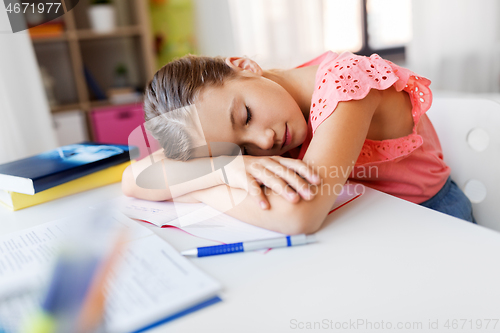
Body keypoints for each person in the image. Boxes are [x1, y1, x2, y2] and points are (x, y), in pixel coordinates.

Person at [122, 51, 476, 234]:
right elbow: (134, 177)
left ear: (244, 65)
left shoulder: (347, 84)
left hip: (432, 219)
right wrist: (225, 167)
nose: (264, 140)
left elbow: (299, 216)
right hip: (364, 219)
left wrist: (198, 184)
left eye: (244, 116)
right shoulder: (275, 107)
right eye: (242, 149)